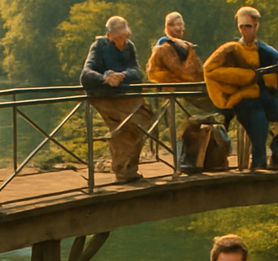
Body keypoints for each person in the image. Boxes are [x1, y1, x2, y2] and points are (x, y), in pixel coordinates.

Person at [203, 6, 278, 171]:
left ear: (256, 26)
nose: (244, 30)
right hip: (243, 99)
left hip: (264, 97)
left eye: (248, 26)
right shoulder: (231, 50)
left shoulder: (264, 50)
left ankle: (275, 153)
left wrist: (272, 78)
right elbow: (209, 69)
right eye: (242, 26)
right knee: (258, 123)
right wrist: (245, 76)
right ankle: (258, 164)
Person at [80, 15, 150, 184]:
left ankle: (130, 169)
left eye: (126, 36)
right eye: (119, 38)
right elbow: (86, 74)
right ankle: (122, 171)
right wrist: (106, 78)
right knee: (123, 127)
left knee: (144, 119)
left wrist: (123, 75)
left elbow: (138, 72)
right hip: (105, 97)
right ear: (110, 36)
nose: (123, 41)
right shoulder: (99, 46)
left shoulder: (129, 47)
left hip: (126, 95)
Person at [147, 11, 204, 84]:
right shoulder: (163, 47)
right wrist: (191, 52)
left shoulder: (183, 46)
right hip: (172, 87)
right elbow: (181, 73)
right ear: (168, 26)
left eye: (182, 25)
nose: (182, 28)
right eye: (179, 24)